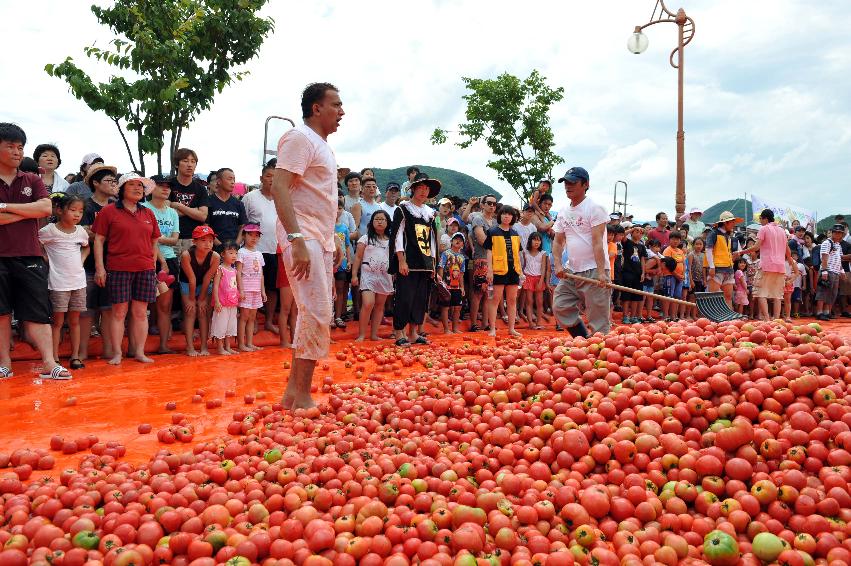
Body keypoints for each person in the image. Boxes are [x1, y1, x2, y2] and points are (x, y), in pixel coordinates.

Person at [273, 82, 344, 410]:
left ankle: (294, 393)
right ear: (317, 108)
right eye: (336, 105)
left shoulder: (323, 146)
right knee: (314, 311)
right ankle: (300, 394)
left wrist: (333, 239)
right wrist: (296, 237)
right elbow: (280, 187)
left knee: (317, 312)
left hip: (319, 236)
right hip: (304, 235)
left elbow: (319, 197)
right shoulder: (300, 138)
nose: (342, 112)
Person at [0, 123, 71, 380]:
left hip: (29, 254)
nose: (17, 152)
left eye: (20, 147)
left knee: (38, 312)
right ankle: (4, 363)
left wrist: (6, 207)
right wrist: (26, 211)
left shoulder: (31, 179)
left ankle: (50, 363)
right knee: (2, 312)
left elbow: (45, 209)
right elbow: (35, 209)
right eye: (10, 146)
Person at [92, 172, 161, 366]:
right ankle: (117, 354)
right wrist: (100, 268)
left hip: (145, 268)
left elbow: (154, 240)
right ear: (122, 189)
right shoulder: (109, 211)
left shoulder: (148, 213)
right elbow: (98, 240)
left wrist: (153, 265)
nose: (138, 188)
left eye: (140, 185)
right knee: (119, 312)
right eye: (132, 185)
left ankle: (139, 351)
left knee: (140, 312)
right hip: (118, 267)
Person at [551, 167, 611, 337]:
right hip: (572, 270)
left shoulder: (594, 208)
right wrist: (558, 264)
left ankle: (602, 354)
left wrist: (601, 272)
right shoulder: (563, 212)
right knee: (560, 305)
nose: (568, 186)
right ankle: (583, 340)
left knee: (598, 319)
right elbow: (558, 240)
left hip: (594, 269)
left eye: (573, 182)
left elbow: (598, 242)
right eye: (566, 183)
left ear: (585, 184)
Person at [389, 176, 440, 346]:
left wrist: (433, 263)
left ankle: (413, 333)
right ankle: (399, 333)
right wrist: (401, 261)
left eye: (427, 188)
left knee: (420, 299)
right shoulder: (403, 210)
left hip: (425, 263)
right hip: (408, 262)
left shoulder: (430, 213)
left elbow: (433, 240)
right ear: (413, 189)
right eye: (421, 187)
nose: (424, 191)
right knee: (405, 297)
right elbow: (397, 236)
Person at [39, 194, 89, 370]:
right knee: (58, 322)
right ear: (59, 210)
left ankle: (75, 357)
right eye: (73, 210)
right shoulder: (49, 230)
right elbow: (37, 244)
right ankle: (55, 358)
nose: (77, 214)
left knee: (75, 321)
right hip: (58, 283)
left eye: (80, 211)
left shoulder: (81, 231)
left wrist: (81, 260)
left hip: (78, 282)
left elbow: (86, 246)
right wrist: (46, 259)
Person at [78, 163, 119, 362]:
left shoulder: (117, 206)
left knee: (108, 310)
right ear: (95, 183)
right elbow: (84, 233)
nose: (113, 184)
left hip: (113, 265)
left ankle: (109, 350)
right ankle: (82, 352)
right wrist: (105, 234)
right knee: (85, 312)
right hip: (87, 265)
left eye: (115, 181)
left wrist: (99, 234)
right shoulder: (86, 205)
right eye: (108, 181)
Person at [242, 160, 281, 333]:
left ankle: (269, 320)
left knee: (272, 288)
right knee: (252, 285)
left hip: (276, 249)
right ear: (261, 178)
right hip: (253, 251)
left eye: (275, 176)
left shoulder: (283, 198)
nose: (272, 179)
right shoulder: (250, 197)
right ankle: (252, 320)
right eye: (268, 176)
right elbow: (241, 224)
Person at [142, 175, 180, 353]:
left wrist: (157, 239)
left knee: (165, 305)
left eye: (168, 186)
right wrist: (157, 241)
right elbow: (147, 239)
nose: (166, 189)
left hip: (170, 261)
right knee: (142, 305)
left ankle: (164, 345)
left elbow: (175, 240)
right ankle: (138, 346)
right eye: (161, 185)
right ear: (151, 188)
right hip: (148, 260)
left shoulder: (172, 212)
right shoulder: (143, 209)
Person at [740, 209, 798, 320]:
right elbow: (788, 252)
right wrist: (790, 260)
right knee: (777, 295)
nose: (760, 221)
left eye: (761, 219)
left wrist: (740, 252)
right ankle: (776, 320)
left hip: (766, 265)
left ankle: (767, 320)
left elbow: (756, 247)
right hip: (780, 266)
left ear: (765, 218)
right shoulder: (782, 231)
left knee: (761, 293)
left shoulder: (764, 229)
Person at [351, 210, 393, 341]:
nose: (380, 221)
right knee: (368, 303)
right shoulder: (365, 238)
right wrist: (354, 275)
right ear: (372, 222)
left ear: (387, 222)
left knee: (380, 306)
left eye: (383, 219)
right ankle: (362, 335)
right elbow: (357, 258)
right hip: (368, 275)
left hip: (385, 276)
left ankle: (374, 335)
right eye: (377, 219)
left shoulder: (391, 240)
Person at [180, 225, 219, 356]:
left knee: (203, 313)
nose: (208, 244)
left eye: (210, 240)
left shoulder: (215, 257)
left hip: (204, 284)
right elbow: (191, 279)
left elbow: (208, 278)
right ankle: (189, 347)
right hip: (187, 283)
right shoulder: (186, 255)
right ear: (194, 242)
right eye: (203, 240)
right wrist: (192, 300)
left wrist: (201, 299)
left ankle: (204, 347)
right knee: (190, 312)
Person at [485, 205, 522, 337]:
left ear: (513, 217)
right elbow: (489, 251)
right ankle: (493, 329)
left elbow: (518, 253)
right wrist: (489, 269)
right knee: (495, 299)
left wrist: (521, 271)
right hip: (498, 269)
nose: (506, 216)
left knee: (512, 300)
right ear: (500, 215)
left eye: (509, 214)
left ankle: (511, 329)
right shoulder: (492, 232)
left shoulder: (515, 234)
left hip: (514, 270)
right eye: (504, 214)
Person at [168, 148, 209, 256]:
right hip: (170, 238)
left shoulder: (200, 189)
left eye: (193, 161)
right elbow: (165, 212)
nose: (190, 165)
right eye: (185, 161)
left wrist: (178, 206)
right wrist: (194, 211)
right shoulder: (168, 185)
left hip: (193, 239)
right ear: (177, 164)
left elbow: (203, 216)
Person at [467, 194, 499, 331]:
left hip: (493, 260)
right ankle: (474, 323)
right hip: (481, 259)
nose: (492, 206)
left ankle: (486, 323)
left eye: (494, 204)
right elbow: (481, 240)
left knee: (489, 294)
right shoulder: (478, 219)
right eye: (489, 203)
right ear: (482, 204)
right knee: (478, 293)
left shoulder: (496, 222)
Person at [237, 225, 266, 352]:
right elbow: (238, 272)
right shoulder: (241, 252)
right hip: (246, 289)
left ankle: (249, 343)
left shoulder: (259, 254)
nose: (254, 238)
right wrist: (241, 290)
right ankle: (241, 344)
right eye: (250, 235)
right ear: (244, 235)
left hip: (256, 289)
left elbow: (261, 274)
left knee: (252, 318)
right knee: (244, 316)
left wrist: (263, 291)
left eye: (257, 235)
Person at [705, 211, 742, 309]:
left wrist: (733, 257)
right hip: (717, 269)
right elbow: (708, 250)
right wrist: (712, 267)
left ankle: (729, 321)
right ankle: (712, 320)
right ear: (725, 223)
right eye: (732, 222)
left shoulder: (728, 236)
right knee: (713, 297)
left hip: (728, 269)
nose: (734, 224)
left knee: (728, 296)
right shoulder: (713, 234)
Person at [207, 167, 246, 249]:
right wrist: (220, 245)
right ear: (219, 181)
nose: (232, 182)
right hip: (213, 249)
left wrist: (236, 244)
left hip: (233, 252)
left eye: (234, 179)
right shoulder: (208, 202)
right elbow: (206, 226)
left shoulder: (238, 204)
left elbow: (242, 227)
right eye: (229, 179)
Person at [211, 241, 240, 355]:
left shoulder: (234, 270)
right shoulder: (220, 269)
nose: (234, 255)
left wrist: (237, 298)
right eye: (231, 253)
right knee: (221, 325)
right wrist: (217, 301)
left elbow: (235, 286)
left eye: (236, 253)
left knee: (230, 325)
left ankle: (228, 346)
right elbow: (216, 286)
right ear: (223, 254)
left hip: (232, 302)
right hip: (222, 304)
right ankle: (220, 347)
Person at [815, 225, 847, 321]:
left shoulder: (838, 245)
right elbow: (824, 257)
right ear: (832, 232)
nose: (838, 234)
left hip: (835, 271)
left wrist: (842, 271)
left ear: (842, 234)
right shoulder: (827, 243)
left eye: (840, 232)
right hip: (828, 270)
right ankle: (819, 312)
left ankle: (826, 312)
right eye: (836, 232)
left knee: (832, 293)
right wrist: (824, 271)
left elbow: (839, 259)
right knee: (823, 292)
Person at [437, 232, 466, 334]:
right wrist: (440, 282)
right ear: (451, 241)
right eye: (456, 239)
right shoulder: (445, 253)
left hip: (456, 286)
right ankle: (446, 329)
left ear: (463, 244)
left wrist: (462, 287)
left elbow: (462, 273)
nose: (458, 241)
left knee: (457, 307)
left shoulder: (462, 257)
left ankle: (455, 329)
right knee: (445, 307)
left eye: (461, 240)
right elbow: (440, 267)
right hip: (446, 285)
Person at [620, 225, 647, 324]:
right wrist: (633, 228)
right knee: (626, 296)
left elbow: (643, 260)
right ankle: (625, 316)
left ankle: (633, 316)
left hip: (638, 273)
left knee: (636, 296)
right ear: (632, 233)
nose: (639, 233)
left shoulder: (642, 246)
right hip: (627, 272)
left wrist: (643, 273)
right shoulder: (628, 242)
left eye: (640, 232)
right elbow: (622, 235)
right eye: (637, 232)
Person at [521, 232, 548, 329]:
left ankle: (539, 322)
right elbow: (523, 265)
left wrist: (541, 281)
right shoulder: (525, 252)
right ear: (530, 241)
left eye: (539, 240)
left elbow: (543, 268)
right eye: (534, 240)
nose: (537, 242)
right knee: (529, 301)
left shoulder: (543, 253)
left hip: (539, 278)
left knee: (539, 301)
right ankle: (531, 323)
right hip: (528, 277)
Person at [332, 199, 352, 329]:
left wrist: (349, 260)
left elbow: (347, 245)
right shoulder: (326, 226)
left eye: (340, 208)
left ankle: (338, 316)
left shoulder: (344, 227)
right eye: (334, 207)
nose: (337, 210)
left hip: (342, 263)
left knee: (340, 290)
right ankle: (329, 317)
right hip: (329, 263)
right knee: (329, 290)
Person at [662, 231, 686, 320]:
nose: (675, 241)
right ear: (669, 240)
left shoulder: (680, 251)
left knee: (677, 297)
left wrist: (682, 275)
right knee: (668, 296)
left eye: (677, 239)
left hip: (679, 277)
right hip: (670, 275)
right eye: (673, 239)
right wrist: (677, 275)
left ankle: (673, 316)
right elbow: (667, 265)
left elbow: (684, 264)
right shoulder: (667, 250)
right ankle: (665, 316)